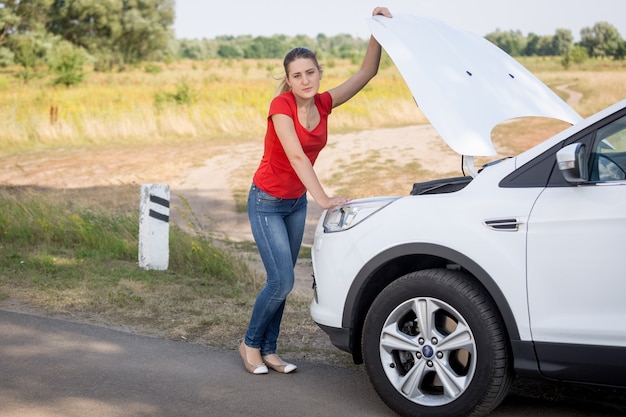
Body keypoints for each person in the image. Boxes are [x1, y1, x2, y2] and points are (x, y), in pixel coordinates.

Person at [239, 6, 393, 375]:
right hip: (266, 202)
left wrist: (378, 29)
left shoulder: (324, 103)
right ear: (288, 80)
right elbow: (295, 154)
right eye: (297, 75)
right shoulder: (281, 107)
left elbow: (367, 72)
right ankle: (249, 345)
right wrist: (322, 197)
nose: (305, 80)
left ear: (319, 73)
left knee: (283, 281)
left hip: (293, 204)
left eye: (310, 72)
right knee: (282, 281)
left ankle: (270, 351)